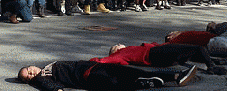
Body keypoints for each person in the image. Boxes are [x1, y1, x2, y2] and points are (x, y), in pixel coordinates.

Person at [18, 60, 198, 91]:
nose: (32, 73)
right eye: (29, 77)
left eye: (29, 70)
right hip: (88, 76)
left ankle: (177, 76)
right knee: (115, 83)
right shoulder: (43, 77)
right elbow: (49, 86)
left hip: (95, 66)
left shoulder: (48, 66)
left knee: (133, 72)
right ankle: (146, 83)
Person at [90, 42, 227, 76]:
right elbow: (104, 61)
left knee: (187, 53)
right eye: (117, 45)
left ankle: (213, 61)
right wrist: (90, 62)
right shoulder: (121, 53)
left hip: (158, 54)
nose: (120, 43)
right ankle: (211, 66)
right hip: (155, 54)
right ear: (116, 49)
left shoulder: (126, 52)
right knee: (197, 48)